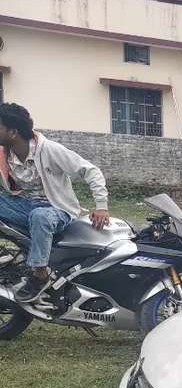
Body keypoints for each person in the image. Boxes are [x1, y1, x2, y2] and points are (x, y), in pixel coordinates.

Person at [0, 103, 110, 303]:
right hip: (24, 205)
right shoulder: (4, 153)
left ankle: (40, 274)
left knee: (40, 216)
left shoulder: (49, 150)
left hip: (56, 209)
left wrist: (101, 206)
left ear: (13, 132)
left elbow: (90, 170)